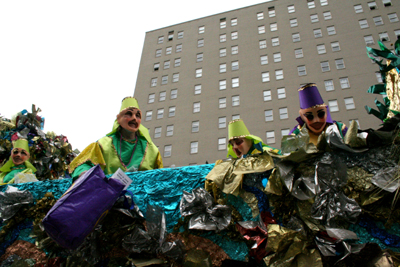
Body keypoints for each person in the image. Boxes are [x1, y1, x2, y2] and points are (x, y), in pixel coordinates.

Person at [68, 97, 163, 179]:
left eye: (137, 115)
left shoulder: (152, 150)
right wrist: (84, 173)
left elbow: (161, 178)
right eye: (129, 114)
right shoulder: (103, 144)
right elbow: (83, 164)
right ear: (118, 119)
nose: (134, 118)